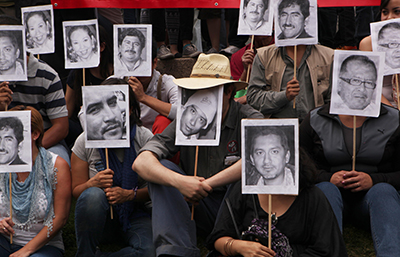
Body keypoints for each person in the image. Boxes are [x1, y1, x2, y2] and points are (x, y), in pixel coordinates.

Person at [132, 53, 263, 257]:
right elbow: (141, 162)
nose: (203, 98)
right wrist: (180, 182)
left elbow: (256, 163)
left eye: (210, 91)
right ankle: (176, 251)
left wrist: (205, 184)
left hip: (236, 210)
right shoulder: (188, 118)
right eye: (197, 91)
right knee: (162, 168)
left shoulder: (250, 118)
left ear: (229, 92)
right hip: (194, 207)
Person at [300, 101, 400, 256]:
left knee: (383, 191)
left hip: (374, 202)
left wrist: (374, 180)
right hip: (329, 200)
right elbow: (298, 167)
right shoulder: (315, 118)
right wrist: (328, 178)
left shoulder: (394, 119)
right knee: (326, 189)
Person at [207, 148, 347, 257]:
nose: (267, 161)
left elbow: (327, 249)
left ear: (288, 156)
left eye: (275, 152)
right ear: (252, 159)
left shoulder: (312, 197)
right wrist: (239, 246)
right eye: (260, 152)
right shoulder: (244, 191)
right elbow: (218, 238)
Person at [72, 78, 155, 257]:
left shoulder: (144, 138)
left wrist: (129, 195)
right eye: (95, 109)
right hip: (100, 221)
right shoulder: (83, 142)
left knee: (148, 252)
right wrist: (91, 184)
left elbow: (158, 189)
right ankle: (86, 252)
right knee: (93, 195)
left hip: (135, 215)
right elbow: (76, 191)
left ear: (130, 109)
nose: (108, 116)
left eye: (114, 103)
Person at [0, 106, 71, 257]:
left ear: (35, 134)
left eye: (9, 138)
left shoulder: (57, 166)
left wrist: (26, 250)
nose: (2, 145)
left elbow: (60, 218)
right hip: (4, 241)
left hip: (43, 246)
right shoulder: (2, 165)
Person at [0, 15, 70, 167]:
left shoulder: (47, 75)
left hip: (43, 141)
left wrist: (28, 150)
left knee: (60, 163)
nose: (1, 56)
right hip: (3, 144)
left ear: (18, 49)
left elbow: (61, 127)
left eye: (6, 49)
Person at [247, 42, 333, 122]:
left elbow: (334, 102)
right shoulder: (264, 56)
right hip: (277, 128)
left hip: (315, 129)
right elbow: (253, 99)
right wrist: (284, 96)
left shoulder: (329, 57)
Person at [65, 25, 113, 148]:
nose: (81, 48)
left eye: (85, 41)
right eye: (76, 43)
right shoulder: (76, 74)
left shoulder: (118, 72)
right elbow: (66, 112)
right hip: (82, 128)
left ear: (101, 46)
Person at [127, 39, 178, 131]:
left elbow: (181, 112)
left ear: (155, 62)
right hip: (131, 137)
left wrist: (143, 97)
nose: (138, 70)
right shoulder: (119, 81)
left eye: (142, 64)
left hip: (157, 139)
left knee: (163, 121)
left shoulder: (166, 82)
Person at [359, 0, 400, 108]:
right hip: (382, 110)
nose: (389, 17)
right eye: (385, 12)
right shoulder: (368, 44)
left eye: (397, 12)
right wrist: (393, 114)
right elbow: (369, 88)